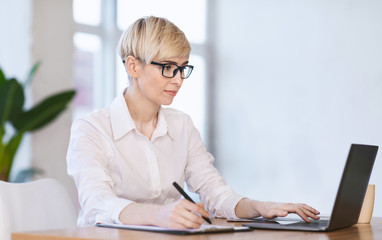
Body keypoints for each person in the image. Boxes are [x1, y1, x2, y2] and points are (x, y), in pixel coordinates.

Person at [67, 16, 320, 229]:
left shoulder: (182, 125)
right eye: (167, 67)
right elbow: (96, 203)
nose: (178, 80)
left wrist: (261, 207)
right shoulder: (91, 129)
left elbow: (215, 194)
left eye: (182, 68)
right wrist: (159, 215)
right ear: (133, 66)